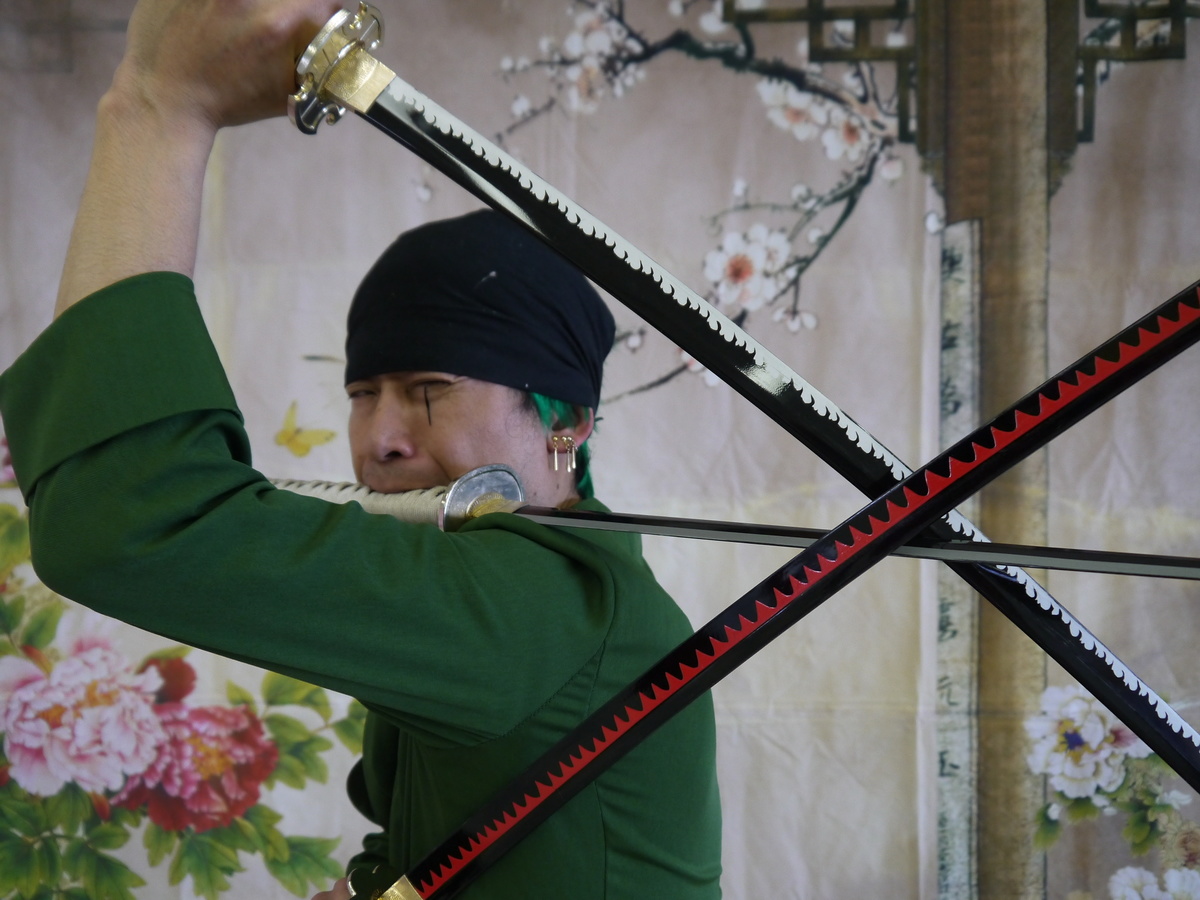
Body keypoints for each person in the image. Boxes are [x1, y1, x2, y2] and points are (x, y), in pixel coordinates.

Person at [0, 1, 722, 898]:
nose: (381, 439)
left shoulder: (538, 599)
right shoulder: (493, 583)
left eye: (430, 392)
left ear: (564, 421)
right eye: (362, 396)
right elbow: (430, 834)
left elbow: (125, 515)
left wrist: (155, 109)